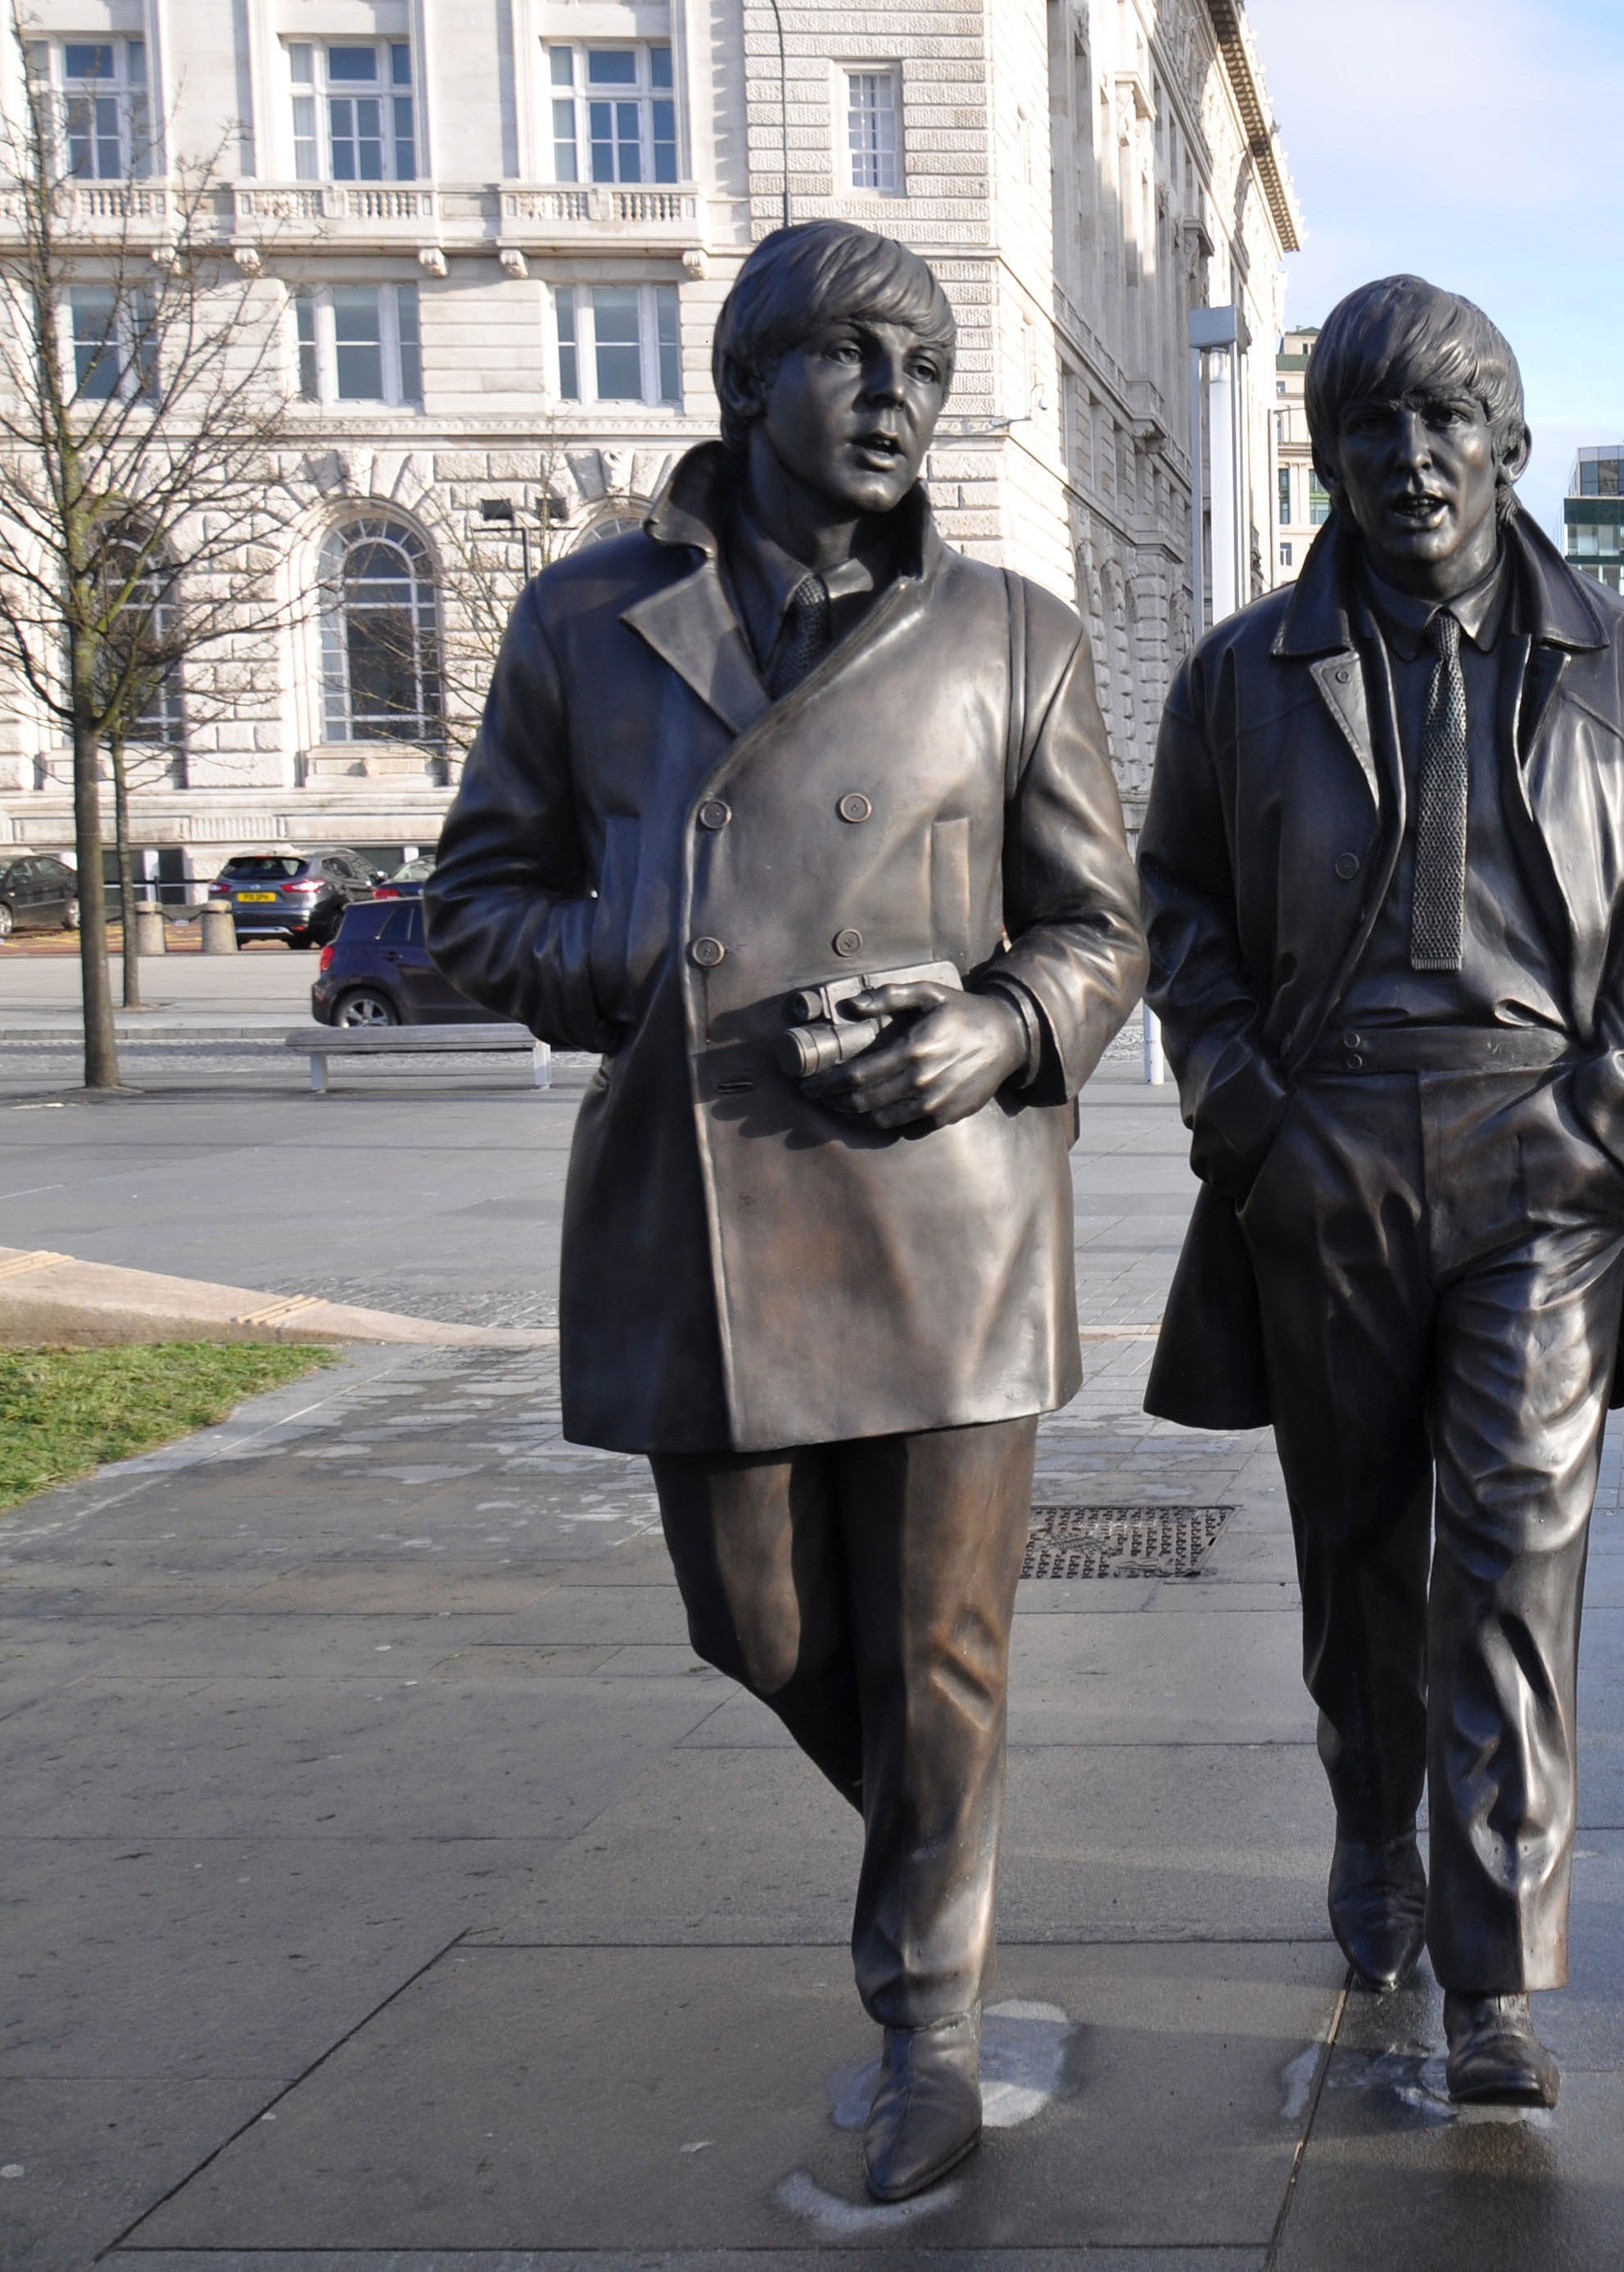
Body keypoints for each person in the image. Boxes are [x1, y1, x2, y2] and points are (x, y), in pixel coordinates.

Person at [429, 221, 1145, 2201]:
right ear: (750, 385)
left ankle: (928, 2012)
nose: (902, 393)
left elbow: (1101, 928)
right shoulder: (590, 621)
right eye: (854, 356)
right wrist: (641, 947)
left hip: (947, 1209)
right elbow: (479, 895)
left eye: (925, 360)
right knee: (748, 1618)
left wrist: (995, 1030)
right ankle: (944, 1856)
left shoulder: (1015, 636)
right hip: (703, 1201)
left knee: (943, 1648)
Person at [1134, 275, 1624, 2107]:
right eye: (1370, 427)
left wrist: (1603, 1109)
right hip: (1325, 1151)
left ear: (1507, 445)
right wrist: (1250, 1116)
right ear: (1325, 460)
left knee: (1514, 1554)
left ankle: (1495, 1969)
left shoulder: (1622, 664)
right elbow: (1178, 914)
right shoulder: (1239, 674)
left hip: (1539, 1155)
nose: (1409, 459)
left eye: (1444, 421)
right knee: (1357, 1556)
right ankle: (1371, 1828)